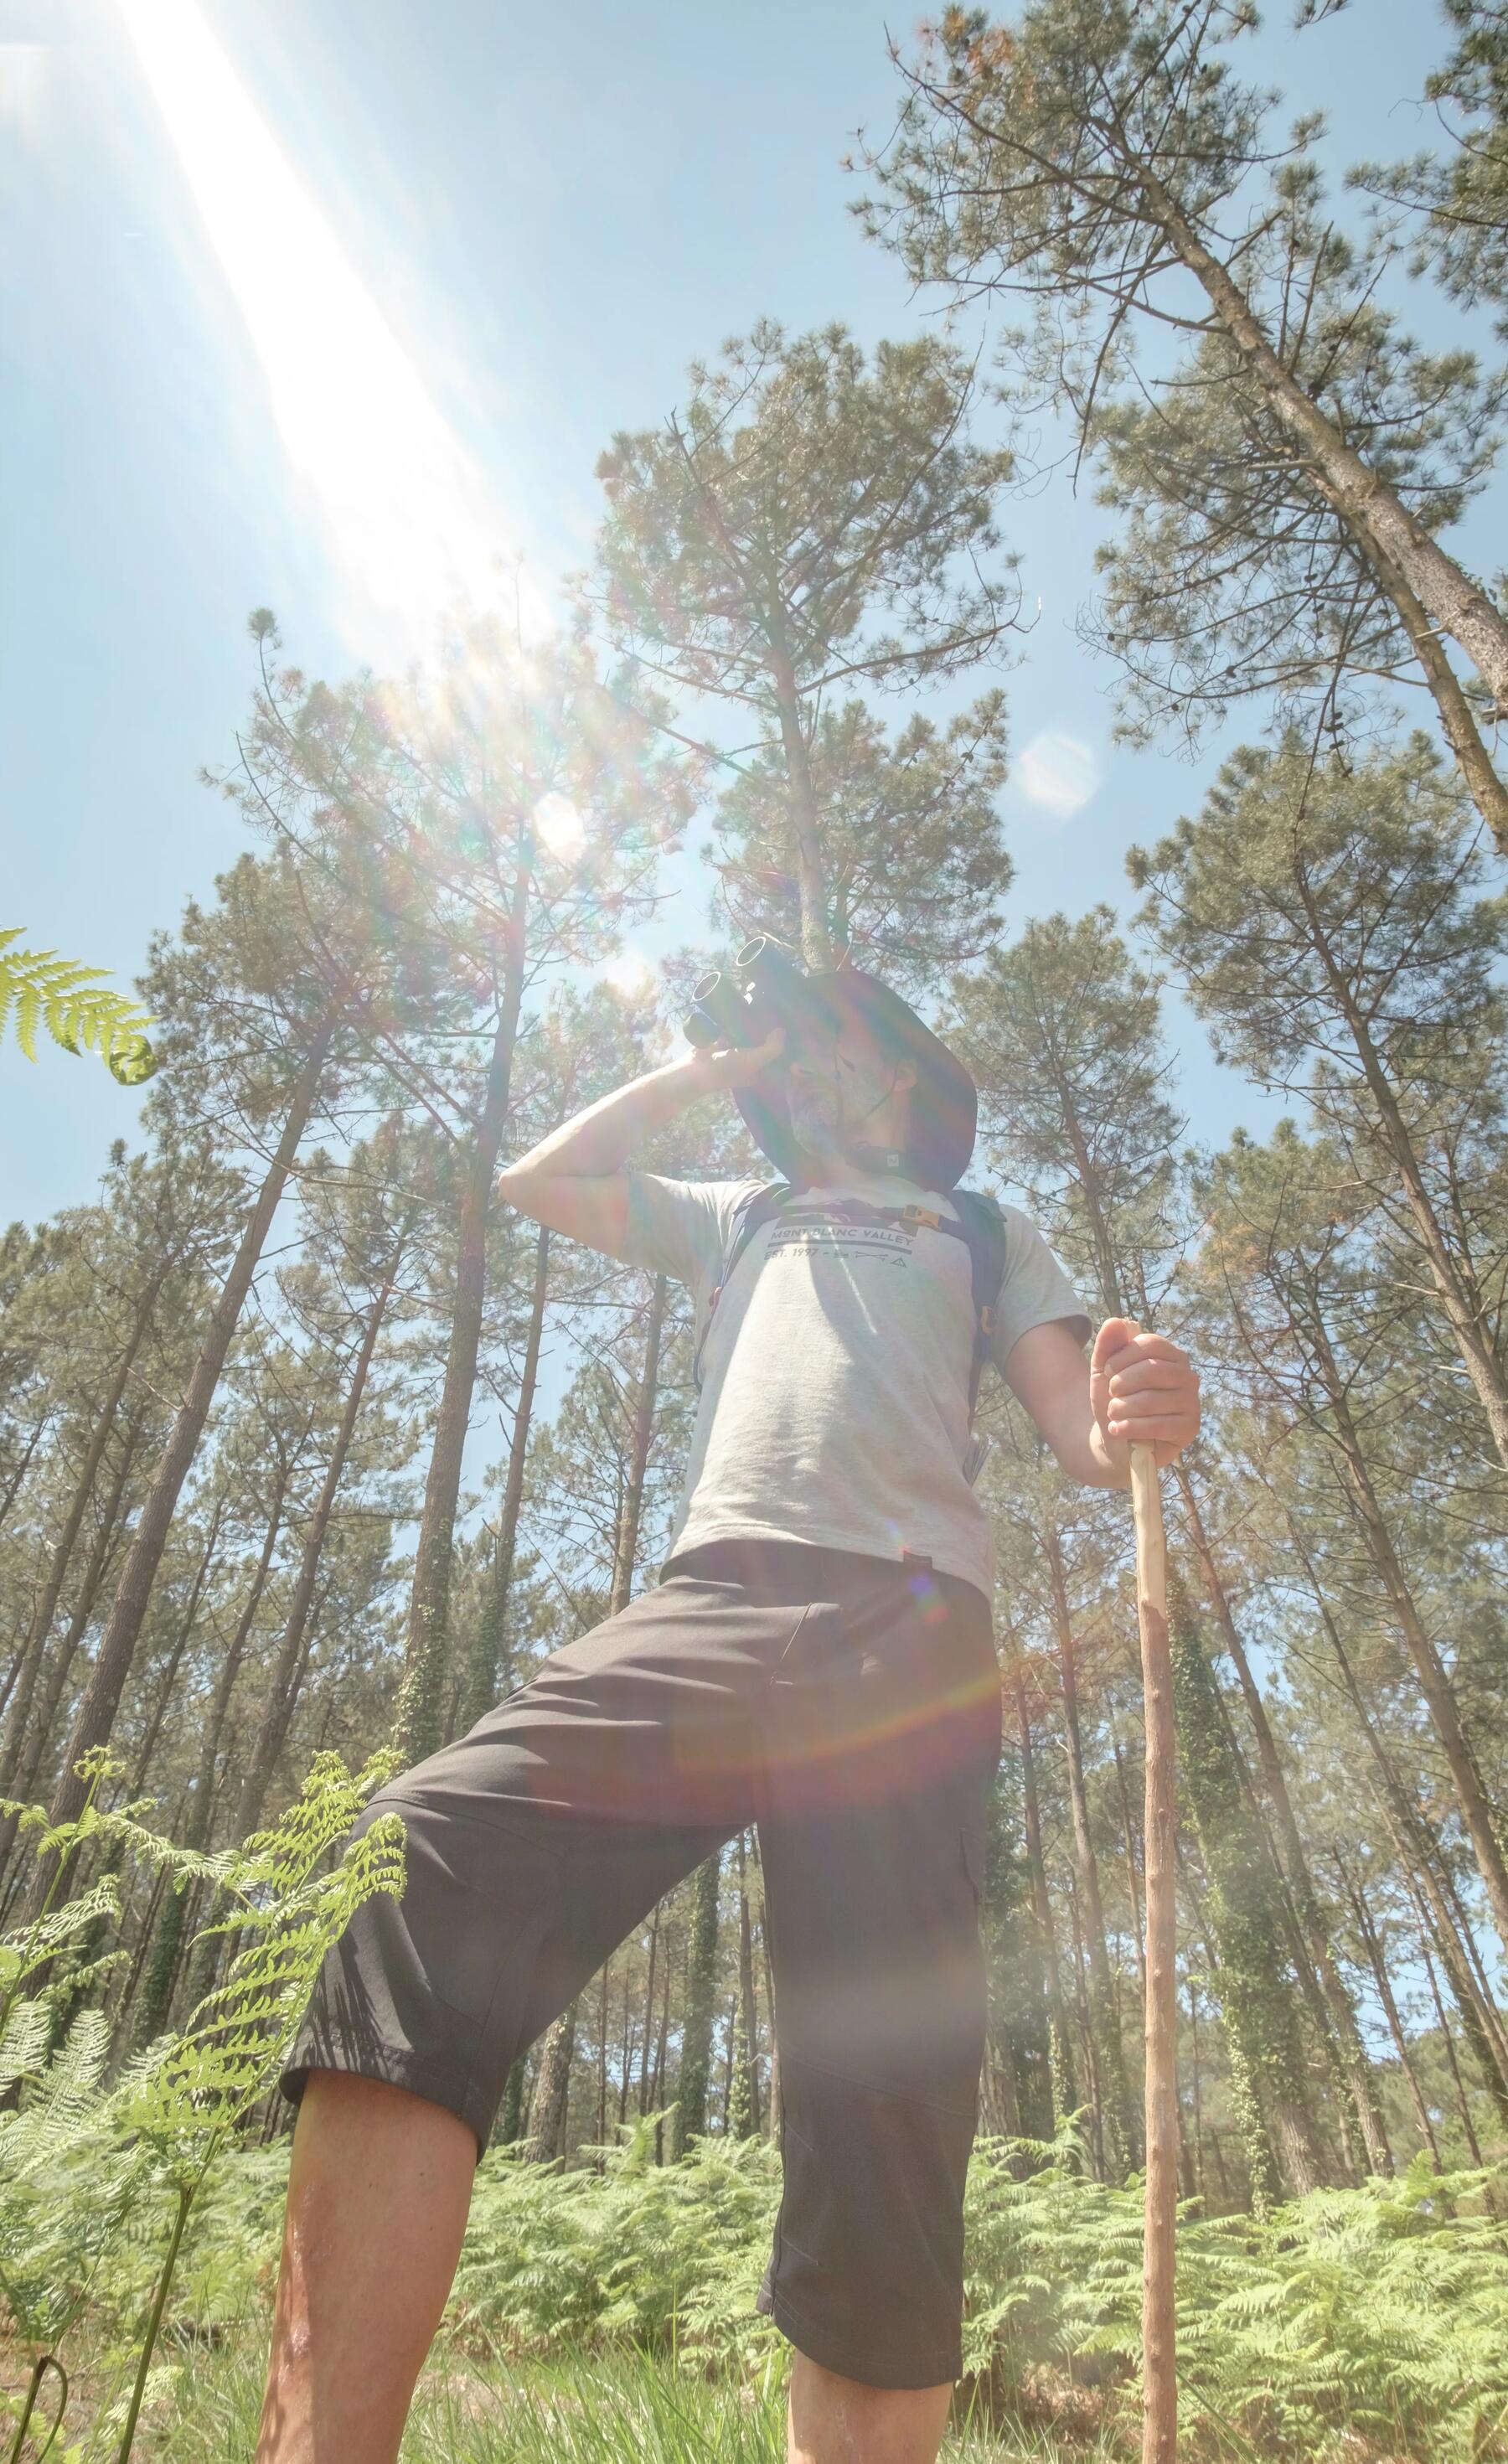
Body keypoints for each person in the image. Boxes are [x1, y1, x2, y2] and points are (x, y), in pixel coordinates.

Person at [256, 963, 1201, 2464]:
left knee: (880, 2101)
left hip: (908, 1628)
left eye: (839, 1037)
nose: (812, 1062)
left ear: (904, 1076)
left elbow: (1085, 1432)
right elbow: (541, 1178)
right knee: (419, 1854)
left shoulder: (983, 1226)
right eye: (793, 1044)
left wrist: (1140, 1405)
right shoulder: (735, 1212)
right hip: (708, 1603)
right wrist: (709, 1070)